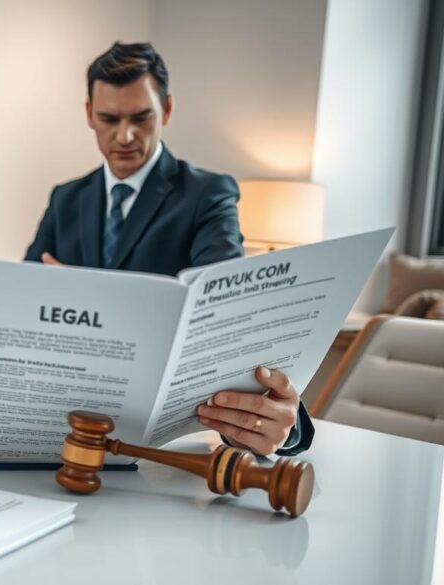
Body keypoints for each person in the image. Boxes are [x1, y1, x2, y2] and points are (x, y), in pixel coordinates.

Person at [24, 42, 313, 456]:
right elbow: (26, 302)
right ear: (89, 113)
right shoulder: (66, 198)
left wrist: (282, 426)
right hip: (66, 428)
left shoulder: (208, 194)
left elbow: (230, 317)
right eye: (108, 119)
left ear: (168, 110)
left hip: (159, 441)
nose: (124, 136)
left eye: (141, 118)